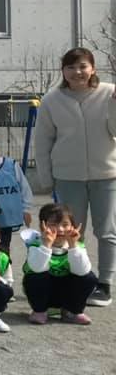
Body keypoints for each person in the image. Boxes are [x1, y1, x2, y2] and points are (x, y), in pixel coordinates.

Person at [33, 47, 116, 307]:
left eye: (82, 66)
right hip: (67, 176)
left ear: (93, 68)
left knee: (107, 231)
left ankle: (104, 283)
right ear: (63, 71)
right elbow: (42, 141)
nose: (77, 72)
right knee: (69, 232)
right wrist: (46, 177)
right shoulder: (51, 100)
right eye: (70, 67)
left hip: (107, 174)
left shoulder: (109, 92)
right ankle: (76, 279)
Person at [21, 203, 97, 325]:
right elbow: (37, 268)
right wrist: (47, 245)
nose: (60, 229)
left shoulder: (77, 246)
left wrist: (73, 246)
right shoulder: (36, 245)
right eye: (53, 224)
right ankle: (40, 311)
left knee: (89, 278)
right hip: (44, 293)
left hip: (67, 293)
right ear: (42, 226)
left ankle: (72, 312)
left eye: (65, 225)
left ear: (73, 226)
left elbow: (83, 272)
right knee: (34, 277)